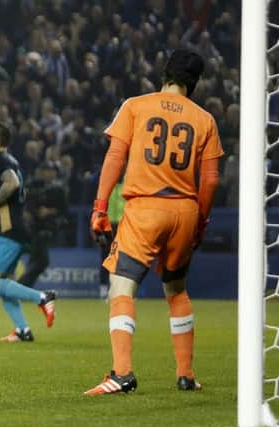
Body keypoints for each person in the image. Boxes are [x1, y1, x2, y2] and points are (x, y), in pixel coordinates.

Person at [85, 49, 223, 395]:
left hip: (146, 207)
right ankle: (186, 375)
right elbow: (209, 181)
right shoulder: (205, 119)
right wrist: (201, 222)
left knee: (121, 286)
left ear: (165, 72)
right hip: (185, 212)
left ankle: (122, 373)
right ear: (194, 83)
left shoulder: (136, 105)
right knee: (176, 289)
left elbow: (116, 155)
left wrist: (100, 207)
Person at [0, 122, 56, 343]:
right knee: (4, 285)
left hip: (7, 232)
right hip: (16, 228)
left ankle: (42, 297)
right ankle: (23, 330)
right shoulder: (11, 161)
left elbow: (12, 184)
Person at [18, 162, 68, 288]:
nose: (49, 173)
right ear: (41, 172)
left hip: (50, 227)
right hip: (34, 227)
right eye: (46, 170)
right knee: (41, 261)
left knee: (37, 260)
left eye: (52, 170)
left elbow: (64, 210)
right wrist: (27, 212)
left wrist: (49, 211)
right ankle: (21, 287)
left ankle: (21, 288)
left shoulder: (59, 189)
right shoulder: (32, 185)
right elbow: (25, 203)